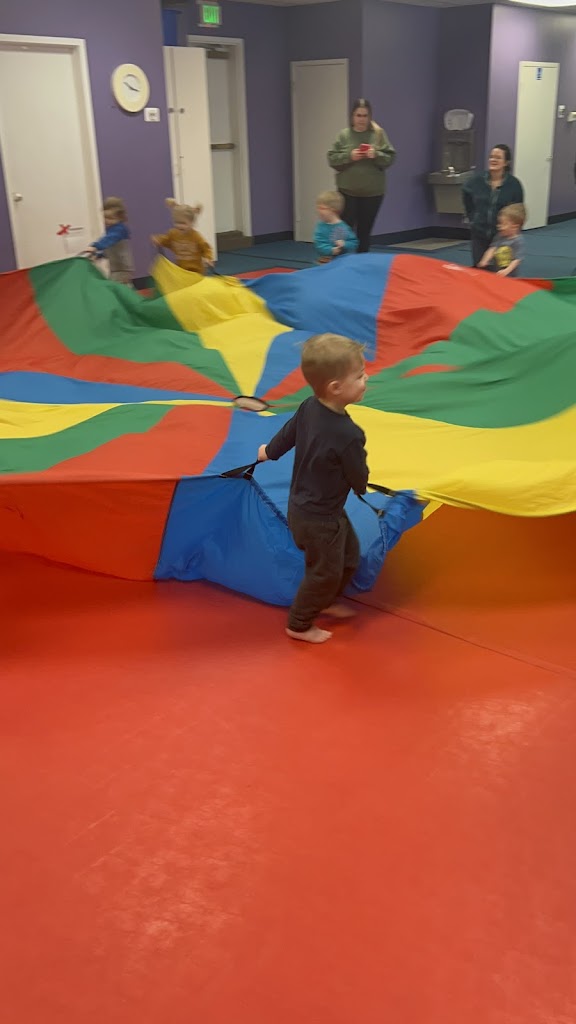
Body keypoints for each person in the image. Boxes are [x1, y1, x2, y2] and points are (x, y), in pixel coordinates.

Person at [257, 334, 369, 645]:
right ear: (336, 387)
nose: (366, 380)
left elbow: (288, 432)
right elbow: (357, 474)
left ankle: (326, 600)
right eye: (360, 376)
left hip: (310, 509)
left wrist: (270, 451)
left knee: (349, 557)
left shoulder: (309, 406)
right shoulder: (349, 434)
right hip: (319, 519)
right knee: (324, 571)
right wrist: (362, 486)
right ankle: (299, 623)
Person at [327, 98, 396, 254]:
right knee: (344, 232)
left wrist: (376, 154)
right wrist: (349, 156)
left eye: (365, 116)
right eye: (358, 115)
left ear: (370, 117)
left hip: (373, 192)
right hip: (347, 191)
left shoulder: (378, 135)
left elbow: (390, 158)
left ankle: (361, 261)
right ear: (352, 116)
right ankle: (343, 262)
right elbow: (332, 159)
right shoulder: (344, 135)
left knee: (364, 232)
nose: (361, 119)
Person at [462, 144, 524, 267]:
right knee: (480, 266)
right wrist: (473, 218)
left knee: (501, 269)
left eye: (498, 157)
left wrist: (513, 231)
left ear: (506, 162)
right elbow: (466, 196)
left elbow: (518, 211)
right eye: (491, 157)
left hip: (503, 235)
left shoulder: (514, 185)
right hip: (479, 231)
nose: (493, 160)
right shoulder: (476, 181)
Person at [151, 198, 214, 273]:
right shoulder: (173, 233)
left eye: (183, 223)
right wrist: (159, 240)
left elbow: (206, 248)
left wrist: (208, 258)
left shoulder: (196, 236)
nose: (179, 226)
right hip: (181, 269)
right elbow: (167, 241)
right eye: (176, 222)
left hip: (196, 271)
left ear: (192, 223)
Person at [86, 197, 134, 285]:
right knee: (120, 287)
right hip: (116, 268)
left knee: (114, 286)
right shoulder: (111, 230)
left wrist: (95, 246)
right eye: (105, 217)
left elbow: (109, 240)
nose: (106, 221)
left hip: (122, 268)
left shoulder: (119, 230)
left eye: (110, 218)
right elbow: (110, 248)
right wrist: (99, 255)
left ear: (120, 218)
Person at [477, 203, 526, 277]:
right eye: (499, 223)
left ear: (514, 227)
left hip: (510, 274)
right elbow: (492, 249)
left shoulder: (518, 241)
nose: (499, 226)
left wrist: (506, 270)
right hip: (497, 271)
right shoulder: (499, 236)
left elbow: (516, 260)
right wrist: (485, 260)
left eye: (503, 224)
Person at [313, 190, 359, 263]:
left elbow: (353, 243)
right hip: (325, 261)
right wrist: (331, 250)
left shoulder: (344, 227)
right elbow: (319, 244)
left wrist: (344, 244)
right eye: (317, 207)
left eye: (322, 208)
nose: (318, 210)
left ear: (333, 210)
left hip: (342, 262)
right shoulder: (321, 226)